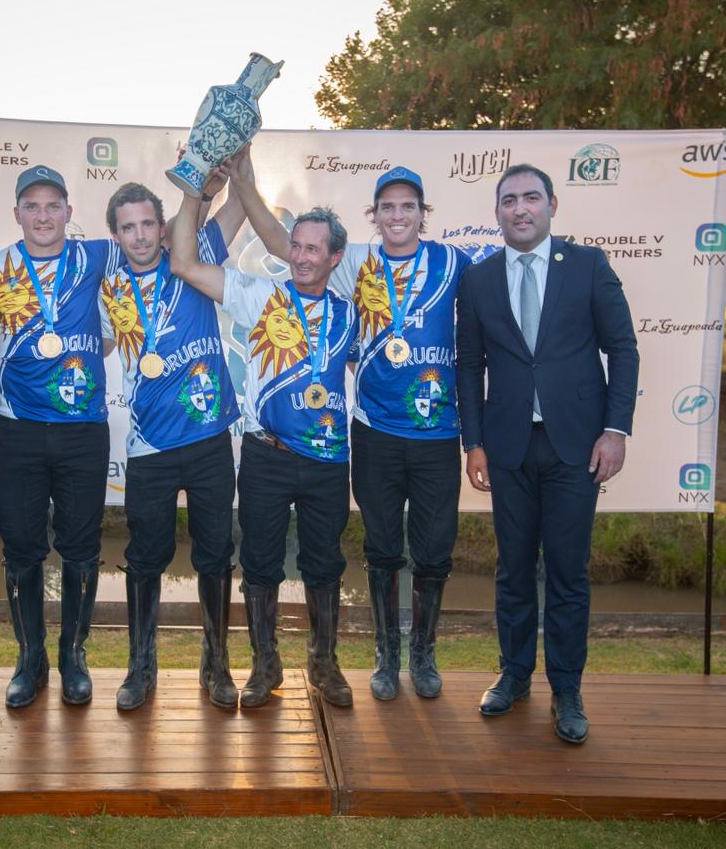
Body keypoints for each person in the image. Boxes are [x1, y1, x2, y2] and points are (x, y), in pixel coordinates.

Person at [237, 152, 471, 701]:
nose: (397, 215)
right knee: (381, 551)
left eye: (407, 206)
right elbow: (283, 241)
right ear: (375, 215)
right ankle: (386, 657)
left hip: (438, 432)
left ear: (423, 212)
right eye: (387, 207)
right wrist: (244, 180)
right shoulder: (356, 261)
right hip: (373, 431)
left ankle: (423, 654)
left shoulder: (454, 262)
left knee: (435, 553)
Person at [456, 163, 639, 744]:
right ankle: (513, 675)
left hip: (576, 447)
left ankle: (567, 688)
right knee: (512, 569)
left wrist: (615, 430)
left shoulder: (588, 265)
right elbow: (470, 366)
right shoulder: (478, 279)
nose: (520, 209)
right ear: (497, 212)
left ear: (552, 205)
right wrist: (474, 443)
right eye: (509, 200)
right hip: (507, 447)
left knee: (566, 572)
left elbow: (623, 349)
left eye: (531, 197)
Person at [169, 174, 359, 709]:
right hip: (265, 455)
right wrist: (200, 189)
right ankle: (265, 664)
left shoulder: (350, 311)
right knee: (259, 562)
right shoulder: (261, 296)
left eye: (313, 249)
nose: (300, 257)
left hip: (327, 458)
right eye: (295, 246)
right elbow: (183, 264)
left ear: (334, 257)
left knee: (325, 564)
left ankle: (323, 663)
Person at [0, 165, 123, 709]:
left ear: (68, 211)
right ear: (16, 213)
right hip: (18, 431)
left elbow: (109, 338)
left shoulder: (95, 258)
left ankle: (73, 657)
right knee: (20, 548)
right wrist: (20, 356)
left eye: (53, 205)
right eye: (32, 206)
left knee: (81, 548)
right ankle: (30, 659)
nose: (43, 216)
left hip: (83, 431)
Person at [99, 179, 247, 710]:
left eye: (147, 224)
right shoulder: (107, 287)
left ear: (163, 227)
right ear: (115, 235)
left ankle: (216, 663)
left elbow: (238, 208)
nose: (140, 236)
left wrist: (228, 165)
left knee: (216, 554)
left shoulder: (194, 253)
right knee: (144, 558)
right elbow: (96, 345)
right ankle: (141, 667)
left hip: (209, 439)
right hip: (149, 447)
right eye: (128, 227)